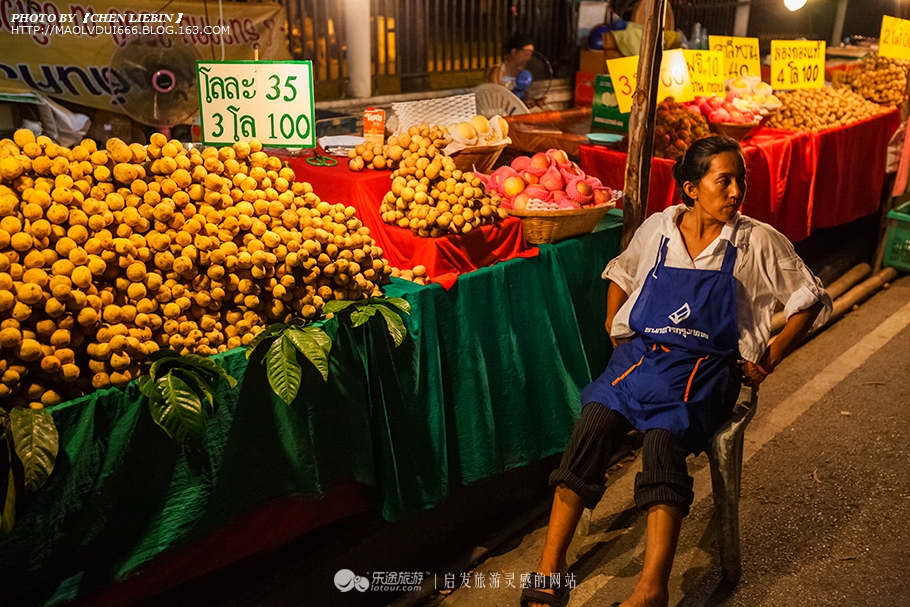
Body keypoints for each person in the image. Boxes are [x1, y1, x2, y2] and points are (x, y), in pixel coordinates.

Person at [519, 136, 832, 607]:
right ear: (691, 187)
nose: (735, 193)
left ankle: (652, 588)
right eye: (723, 181)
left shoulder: (756, 240)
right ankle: (551, 564)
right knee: (593, 424)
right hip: (643, 359)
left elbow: (811, 298)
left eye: (739, 182)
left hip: (706, 372)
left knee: (664, 439)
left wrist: (769, 356)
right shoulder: (659, 229)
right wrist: (613, 323)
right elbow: (621, 274)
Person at [487, 33, 546, 109]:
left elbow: (523, 98)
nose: (529, 58)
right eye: (526, 53)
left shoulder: (522, 72)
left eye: (531, 54)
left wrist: (534, 101)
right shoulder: (497, 71)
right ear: (514, 52)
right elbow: (496, 99)